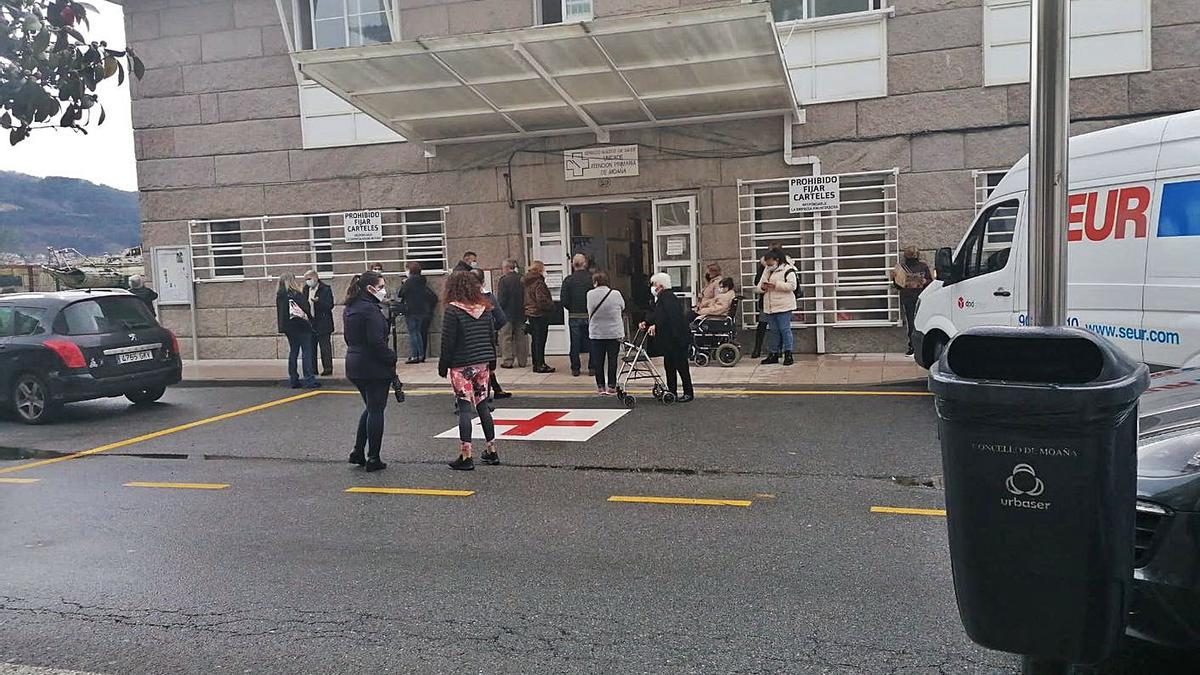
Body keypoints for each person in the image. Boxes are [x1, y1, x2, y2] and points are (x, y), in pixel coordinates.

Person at [438, 271, 500, 471]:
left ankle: (466, 455)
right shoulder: (485, 308)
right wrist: (492, 362)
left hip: (461, 365)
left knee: (464, 408)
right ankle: (491, 451)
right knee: (483, 406)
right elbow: (492, 337)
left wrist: (443, 365)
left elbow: (448, 342)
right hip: (483, 363)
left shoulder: (452, 311)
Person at [342, 271, 396, 472]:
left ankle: (358, 451)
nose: (383, 290)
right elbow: (376, 342)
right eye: (381, 286)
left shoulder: (350, 308)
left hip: (354, 363)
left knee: (370, 407)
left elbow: (349, 338)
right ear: (370, 288)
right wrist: (391, 357)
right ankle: (373, 457)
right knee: (376, 410)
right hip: (373, 366)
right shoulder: (371, 311)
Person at [642, 272, 693, 403]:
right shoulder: (664, 298)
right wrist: (647, 323)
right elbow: (657, 315)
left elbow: (666, 318)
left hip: (676, 339)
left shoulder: (667, 298)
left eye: (654, 284)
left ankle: (688, 392)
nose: (652, 287)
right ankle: (672, 391)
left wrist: (655, 325)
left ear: (660, 285)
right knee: (669, 365)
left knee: (681, 366)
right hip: (671, 339)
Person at [755, 249, 799, 366]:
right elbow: (758, 286)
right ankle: (773, 353)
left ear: (777, 260)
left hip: (784, 305)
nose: (768, 266)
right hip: (770, 305)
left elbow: (792, 286)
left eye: (770, 263)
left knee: (785, 330)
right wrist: (763, 288)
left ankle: (788, 353)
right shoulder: (767, 270)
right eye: (767, 264)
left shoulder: (788, 269)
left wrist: (775, 285)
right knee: (773, 331)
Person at [275, 273, 319, 389]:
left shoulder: (280, 296)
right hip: (302, 326)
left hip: (289, 328)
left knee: (293, 352)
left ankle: (293, 379)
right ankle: (309, 379)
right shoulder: (297, 294)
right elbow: (306, 309)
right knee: (306, 352)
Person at [474, 268, 511, 400]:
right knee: (487, 366)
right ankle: (488, 394)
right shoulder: (488, 297)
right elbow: (501, 318)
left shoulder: (460, 299)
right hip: (485, 338)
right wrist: (492, 328)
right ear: (483, 282)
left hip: (466, 341)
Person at [587, 271, 625, 396]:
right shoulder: (616, 294)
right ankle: (612, 385)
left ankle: (600, 387)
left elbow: (589, 310)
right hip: (614, 332)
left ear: (595, 282)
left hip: (597, 332)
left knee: (598, 360)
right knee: (612, 359)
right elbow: (622, 306)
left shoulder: (590, 294)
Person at [894, 245, 934, 356]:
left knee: (913, 322)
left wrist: (923, 281)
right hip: (914, 298)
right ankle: (914, 346)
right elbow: (897, 285)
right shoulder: (907, 267)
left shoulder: (905, 267)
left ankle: (914, 346)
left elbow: (897, 286)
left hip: (915, 298)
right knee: (913, 322)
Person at [560, 253, 593, 377]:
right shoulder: (591, 278)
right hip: (589, 314)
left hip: (574, 315)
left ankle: (575, 368)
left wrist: (571, 308)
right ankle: (592, 368)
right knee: (592, 342)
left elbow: (564, 300)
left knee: (575, 343)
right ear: (585, 264)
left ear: (573, 265)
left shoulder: (568, 280)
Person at [398, 261, 436, 364]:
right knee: (418, 333)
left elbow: (401, 293)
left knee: (413, 333)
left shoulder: (409, 282)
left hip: (411, 310)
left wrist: (404, 283)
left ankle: (415, 355)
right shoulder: (422, 281)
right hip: (422, 311)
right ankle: (421, 354)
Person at [523, 260, 556, 373]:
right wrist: (551, 305)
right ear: (540, 269)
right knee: (540, 340)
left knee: (535, 341)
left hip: (530, 313)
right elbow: (541, 299)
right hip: (539, 314)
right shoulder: (538, 282)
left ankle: (536, 364)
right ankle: (540, 364)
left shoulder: (526, 281)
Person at [496, 258, 527, 369]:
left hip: (507, 314)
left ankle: (508, 361)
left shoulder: (503, 280)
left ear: (507, 268)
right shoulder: (522, 279)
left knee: (506, 338)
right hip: (521, 313)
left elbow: (502, 299)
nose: (502, 270)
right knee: (521, 338)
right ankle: (522, 361)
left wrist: (498, 311)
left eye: (503, 268)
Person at [303, 270, 335, 376]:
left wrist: (319, 301)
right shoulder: (306, 289)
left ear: (315, 278)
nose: (308, 282)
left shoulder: (325, 289)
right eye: (306, 279)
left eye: (309, 279)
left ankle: (327, 368)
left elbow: (330, 305)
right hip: (310, 322)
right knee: (311, 347)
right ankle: (313, 369)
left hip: (323, 322)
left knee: (325, 347)